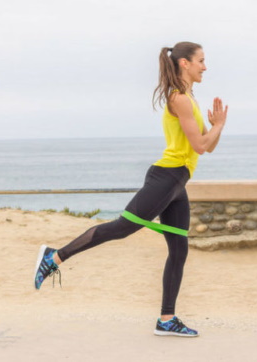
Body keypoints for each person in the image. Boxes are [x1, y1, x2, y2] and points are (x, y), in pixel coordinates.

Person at [33, 42, 228, 337]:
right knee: (122, 228)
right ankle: (54, 257)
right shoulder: (180, 100)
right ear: (185, 63)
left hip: (178, 182)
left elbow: (207, 145)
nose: (205, 66)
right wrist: (218, 126)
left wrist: (217, 126)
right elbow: (201, 146)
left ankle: (166, 319)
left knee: (179, 249)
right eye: (201, 60)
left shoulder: (189, 98)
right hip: (167, 178)